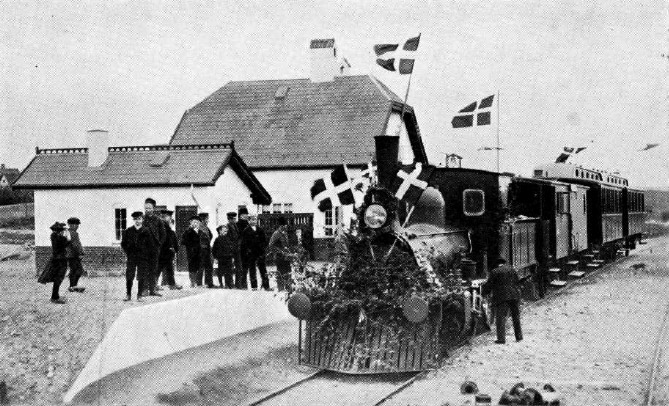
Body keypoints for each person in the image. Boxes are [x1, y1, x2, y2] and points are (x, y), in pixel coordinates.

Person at [482, 258, 523, 344]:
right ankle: (519, 337)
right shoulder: (512, 269)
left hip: (502, 297)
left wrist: (484, 292)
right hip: (514, 295)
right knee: (516, 316)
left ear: (497, 264)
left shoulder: (495, 271)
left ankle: (501, 339)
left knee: (500, 317)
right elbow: (518, 281)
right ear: (504, 263)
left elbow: (489, 285)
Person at [120, 212, 152, 302]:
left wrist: (146, 253)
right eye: (136, 219)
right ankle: (128, 294)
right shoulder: (128, 231)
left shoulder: (147, 231)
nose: (137, 221)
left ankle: (139, 295)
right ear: (133, 220)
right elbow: (123, 243)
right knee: (129, 275)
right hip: (132, 257)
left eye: (139, 219)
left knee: (142, 275)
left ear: (142, 219)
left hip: (143, 257)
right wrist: (128, 252)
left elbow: (150, 245)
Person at [38, 222, 71, 303]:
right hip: (61, 260)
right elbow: (67, 242)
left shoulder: (53, 236)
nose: (63, 230)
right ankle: (55, 297)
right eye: (62, 229)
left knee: (57, 278)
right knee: (58, 278)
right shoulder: (60, 238)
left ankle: (55, 296)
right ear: (59, 231)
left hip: (55, 259)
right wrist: (67, 236)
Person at [143, 198, 165, 296]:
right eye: (146, 208)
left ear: (153, 208)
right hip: (144, 249)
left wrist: (159, 244)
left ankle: (153, 290)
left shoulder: (158, 220)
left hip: (155, 249)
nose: (147, 210)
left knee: (153, 269)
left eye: (149, 208)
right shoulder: (142, 219)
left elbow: (163, 234)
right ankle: (144, 290)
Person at [241, 215, 270, 290]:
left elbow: (265, 241)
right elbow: (244, 244)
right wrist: (248, 251)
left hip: (260, 253)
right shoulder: (246, 231)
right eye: (252, 220)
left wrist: (263, 250)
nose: (254, 221)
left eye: (255, 220)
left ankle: (266, 286)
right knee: (252, 270)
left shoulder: (260, 230)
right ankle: (254, 286)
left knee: (263, 269)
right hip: (251, 254)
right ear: (249, 221)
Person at [159, 209, 182, 290]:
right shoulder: (161, 226)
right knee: (158, 269)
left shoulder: (168, 228)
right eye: (168, 217)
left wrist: (173, 249)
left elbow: (171, 239)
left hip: (168, 253)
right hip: (161, 252)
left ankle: (172, 285)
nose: (169, 218)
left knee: (169, 269)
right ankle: (152, 286)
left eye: (169, 217)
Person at [268, 216, 292, 291]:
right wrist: (280, 251)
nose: (286, 226)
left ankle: (288, 289)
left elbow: (285, 246)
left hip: (286, 257)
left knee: (288, 273)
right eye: (285, 225)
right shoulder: (276, 234)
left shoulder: (284, 233)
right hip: (279, 257)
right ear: (281, 225)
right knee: (280, 273)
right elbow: (271, 245)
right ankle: (281, 289)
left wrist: (288, 252)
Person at [65, 217, 86, 293]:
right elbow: (76, 245)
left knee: (73, 270)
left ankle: (72, 286)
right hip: (74, 255)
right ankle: (73, 286)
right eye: (76, 224)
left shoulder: (67, 232)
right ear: (71, 225)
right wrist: (80, 253)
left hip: (69, 255)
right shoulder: (73, 233)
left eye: (77, 224)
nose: (77, 226)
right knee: (79, 270)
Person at [180, 215, 202, 287]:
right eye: (194, 222)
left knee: (197, 267)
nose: (196, 224)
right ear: (190, 223)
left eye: (197, 222)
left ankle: (196, 282)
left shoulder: (201, 231)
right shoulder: (187, 231)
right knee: (191, 267)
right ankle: (192, 282)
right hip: (191, 252)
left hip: (199, 252)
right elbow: (183, 241)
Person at [226, 211, 245, 288]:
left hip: (237, 250)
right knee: (230, 268)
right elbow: (228, 240)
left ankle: (238, 284)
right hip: (231, 250)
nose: (235, 220)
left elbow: (239, 236)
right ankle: (230, 284)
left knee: (239, 268)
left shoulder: (235, 226)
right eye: (233, 219)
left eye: (235, 219)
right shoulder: (227, 227)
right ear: (229, 219)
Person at [198, 212, 215, 288]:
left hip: (207, 249)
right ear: (203, 219)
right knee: (201, 266)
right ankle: (199, 283)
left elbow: (210, 236)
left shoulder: (205, 227)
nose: (208, 220)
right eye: (207, 219)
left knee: (209, 266)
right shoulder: (199, 228)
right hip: (201, 249)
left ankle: (209, 283)